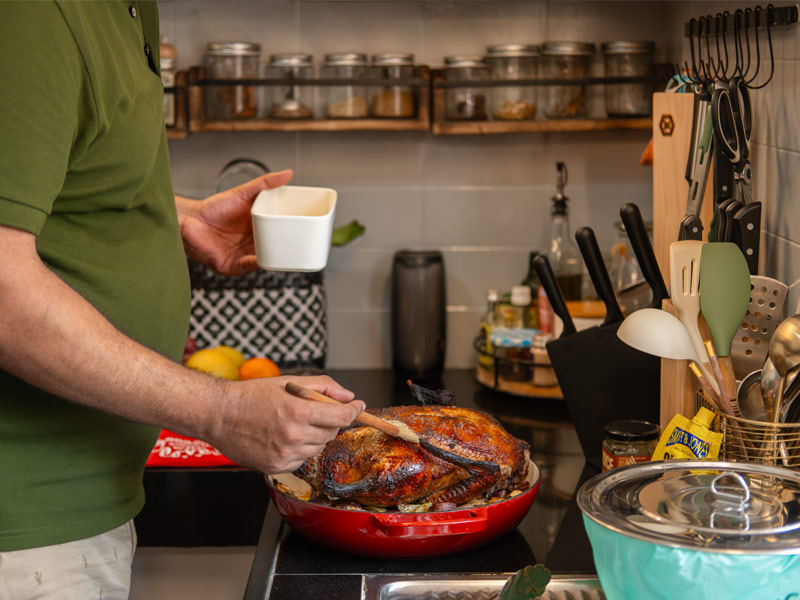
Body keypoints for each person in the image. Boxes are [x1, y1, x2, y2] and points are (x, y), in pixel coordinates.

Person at [0, 2, 364, 598]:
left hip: (90, 494)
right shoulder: (36, 12)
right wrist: (221, 412)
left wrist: (181, 217)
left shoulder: (126, 10)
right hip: (24, 524)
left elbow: (60, 186)